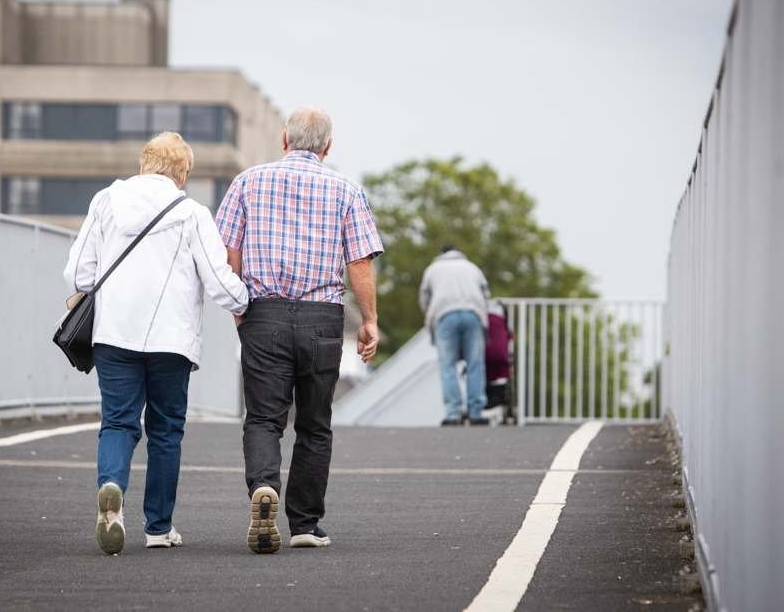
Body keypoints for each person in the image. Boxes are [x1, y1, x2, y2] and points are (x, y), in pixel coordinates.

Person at [64, 132, 249, 555]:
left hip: (113, 334)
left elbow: (77, 274)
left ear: (144, 164)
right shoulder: (192, 213)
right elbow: (219, 280)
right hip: (172, 339)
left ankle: (111, 487)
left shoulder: (106, 201)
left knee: (118, 422)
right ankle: (159, 528)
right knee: (165, 431)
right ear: (182, 176)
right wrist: (246, 303)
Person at [215, 106, 383, 553]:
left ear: (284, 140)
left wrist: (240, 310)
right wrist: (369, 320)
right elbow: (360, 262)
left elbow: (228, 251)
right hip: (322, 318)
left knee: (264, 419)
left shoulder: (247, 182)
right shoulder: (346, 189)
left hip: (263, 313)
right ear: (328, 147)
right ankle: (305, 523)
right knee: (314, 424)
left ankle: (263, 488)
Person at [419, 245, 490, 426]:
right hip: (473, 315)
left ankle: (453, 414)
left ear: (441, 255)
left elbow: (424, 297)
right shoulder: (473, 268)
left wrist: (429, 314)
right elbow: (485, 294)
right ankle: (476, 413)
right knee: (475, 365)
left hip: (445, 316)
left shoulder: (433, 269)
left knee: (447, 366)